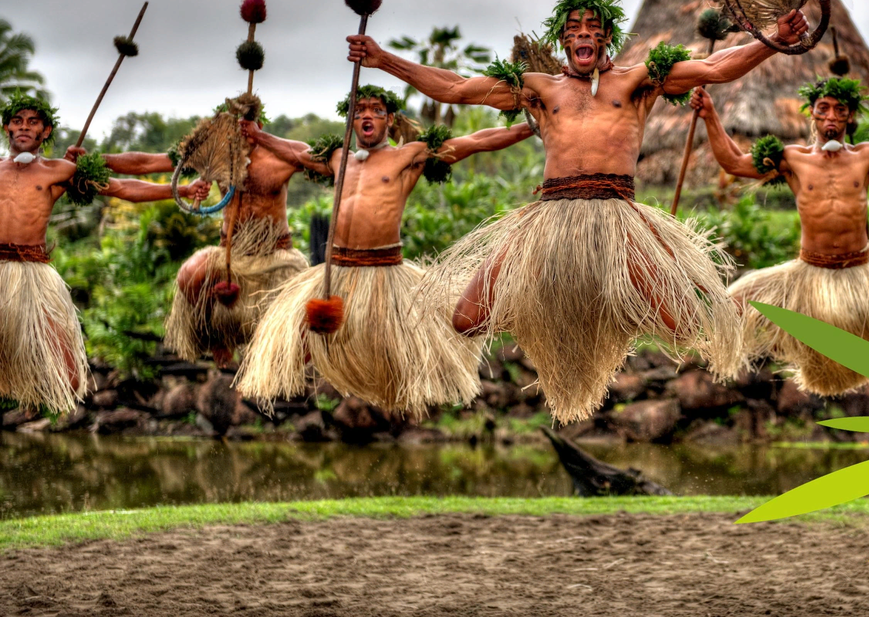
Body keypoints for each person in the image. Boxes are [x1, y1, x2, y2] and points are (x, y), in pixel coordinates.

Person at [346, 0, 809, 423]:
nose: (582, 33)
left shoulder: (639, 81)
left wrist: (773, 41)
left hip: (617, 218)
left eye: (592, 26)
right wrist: (384, 60)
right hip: (550, 219)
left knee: (685, 325)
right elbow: (456, 88)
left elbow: (718, 67)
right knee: (467, 320)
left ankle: (613, 306)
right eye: (573, 28)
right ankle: (545, 308)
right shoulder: (538, 88)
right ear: (563, 40)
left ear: (606, 36)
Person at [235, 85, 535, 414]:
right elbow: (296, 151)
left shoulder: (408, 155)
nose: (366, 115)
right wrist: (258, 136)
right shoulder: (338, 158)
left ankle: (400, 399)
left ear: (389, 119)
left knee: (391, 347)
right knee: (303, 337)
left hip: (383, 272)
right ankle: (277, 383)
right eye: (359, 110)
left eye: (375, 110)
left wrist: (532, 125)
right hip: (338, 269)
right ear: (350, 120)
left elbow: (475, 141)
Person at [689, 78, 869, 396]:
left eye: (839, 109)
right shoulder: (792, 158)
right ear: (813, 115)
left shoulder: (868, 155)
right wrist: (710, 116)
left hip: (860, 272)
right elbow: (734, 162)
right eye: (824, 109)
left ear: (849, 116)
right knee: (730, 308)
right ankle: (798, 339)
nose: (831, 115)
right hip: (808, 273)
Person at [1, 94, 209, 413]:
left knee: (69, 378)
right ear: (7, 129)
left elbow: (125, 189)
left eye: (32, 122)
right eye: (17, 121)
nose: (24, 127)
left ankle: (25, 390)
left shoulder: (59, 171)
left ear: (46, 132)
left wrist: (180, 189)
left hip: (31, 275)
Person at [97, 97, 308, 366]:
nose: (238, 133)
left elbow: (314, 158)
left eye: (245, 126)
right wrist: (99, 160)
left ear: (259, 126)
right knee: (190, 273)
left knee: (301, 310)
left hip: (276, 255)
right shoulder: (213, 158)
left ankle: (277, 354)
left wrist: (262, 138)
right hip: (230, 252)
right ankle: (218, 336)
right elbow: (147, 163)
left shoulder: (281, 157)